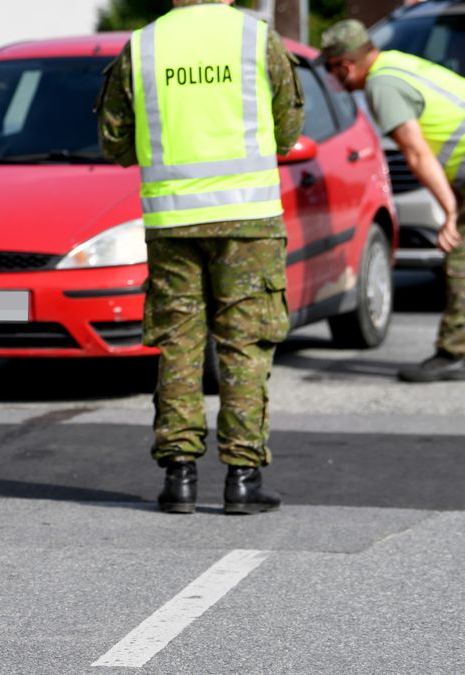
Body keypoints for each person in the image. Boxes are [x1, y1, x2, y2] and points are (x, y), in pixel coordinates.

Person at [96, 0, 304, 515]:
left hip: (172, 222)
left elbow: (114, 141)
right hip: (247, 221)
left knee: (179, 346)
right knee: (244, 346)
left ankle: (179, 477)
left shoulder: (142, 46)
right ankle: (241, 477)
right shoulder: (256, 39)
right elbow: (289, 131)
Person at [321, 19, 465, 383]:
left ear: (346, 65)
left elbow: (415, 153)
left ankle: (454, 353)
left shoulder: (382, 85)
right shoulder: (396, 61)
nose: (337, 83)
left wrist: (449, 212)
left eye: (333, 73)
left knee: (460, 262)